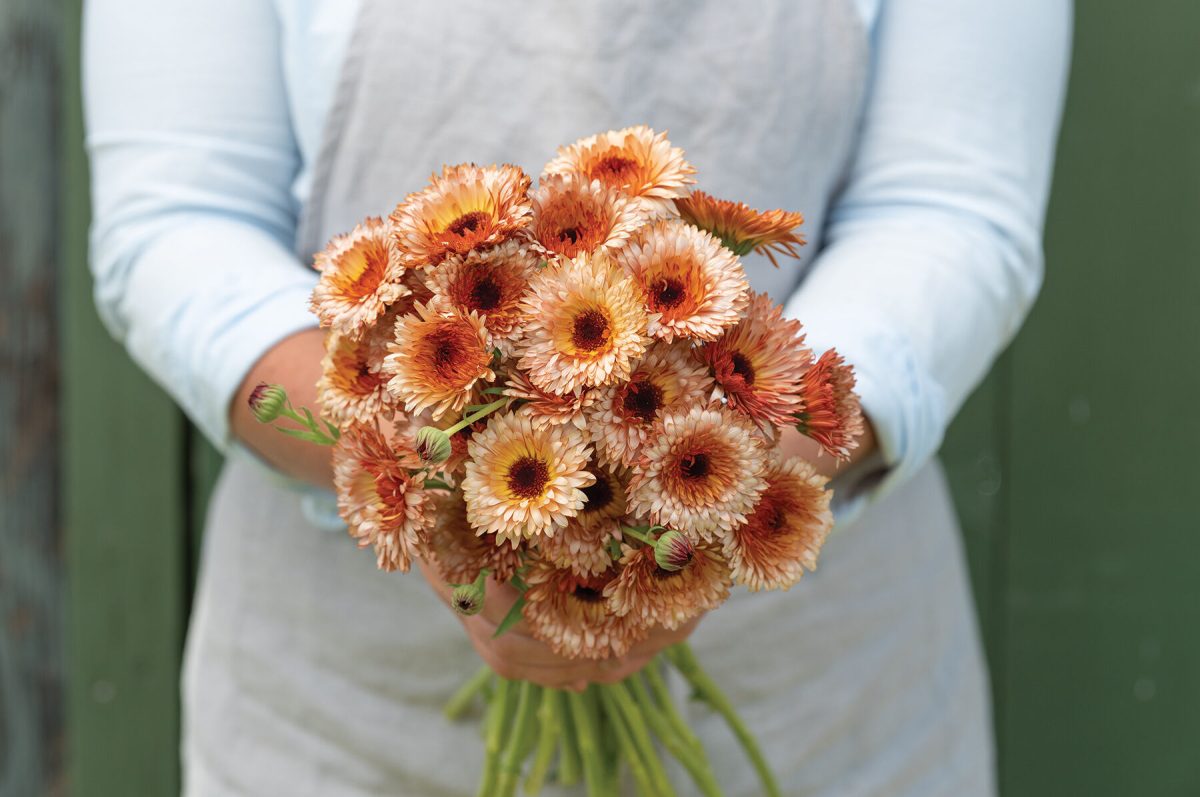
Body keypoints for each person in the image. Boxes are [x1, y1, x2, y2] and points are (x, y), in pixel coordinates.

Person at [84, 1, 1070, 794]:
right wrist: (426, 475)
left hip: (815, 663)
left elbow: (953, 204)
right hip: (341, 696)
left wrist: (727, 483)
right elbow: (176, 220)